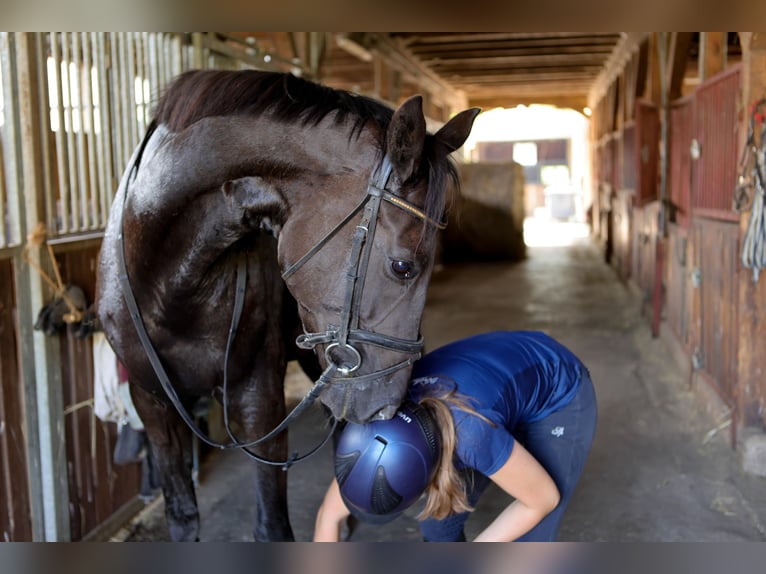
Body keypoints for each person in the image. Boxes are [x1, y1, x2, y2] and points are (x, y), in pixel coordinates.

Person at [313, 330, 597, 542]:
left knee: (528, 541)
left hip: (557, 390)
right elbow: (329, 514)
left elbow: (542, 500)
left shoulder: (471, 436)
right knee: (437, 527)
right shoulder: (376, 424)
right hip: (493, 382)